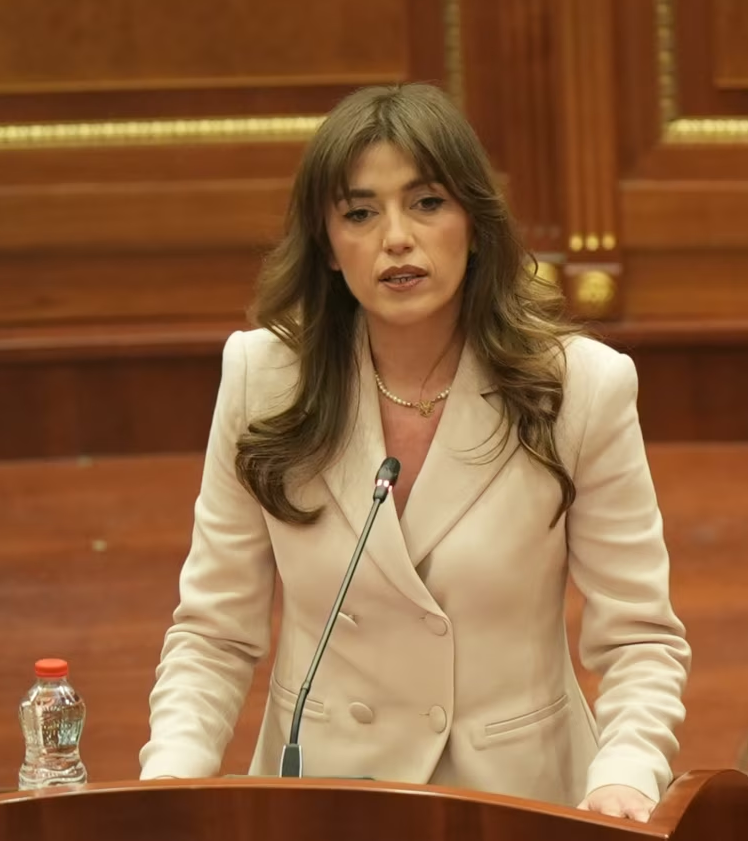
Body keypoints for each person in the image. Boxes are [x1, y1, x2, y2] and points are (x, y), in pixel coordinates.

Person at [138, 82, 689, 821]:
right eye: (360, 213)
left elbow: (640, 638)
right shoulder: (262, 380)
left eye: (426, 203)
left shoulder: (579, 389)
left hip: (514, 804)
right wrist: (169, 779)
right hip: (325, 802)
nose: (396, 238)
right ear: (327, 247)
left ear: (474, 223)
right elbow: (213, 633)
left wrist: (625, 774)